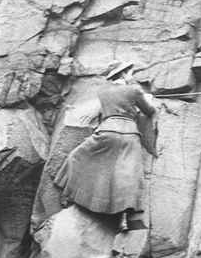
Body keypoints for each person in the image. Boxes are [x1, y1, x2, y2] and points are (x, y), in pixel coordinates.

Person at [54, 62, 157, 231]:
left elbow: (111, 108)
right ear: (124, 74)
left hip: (108, 132)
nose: (132, 75)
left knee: (77, 156)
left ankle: (69, 195)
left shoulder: (103, 92)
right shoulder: (134, 90)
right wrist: (148, 100)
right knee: (127, 175)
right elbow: (149, 111)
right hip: (130, 136)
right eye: (131, 72)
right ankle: (123, 219)